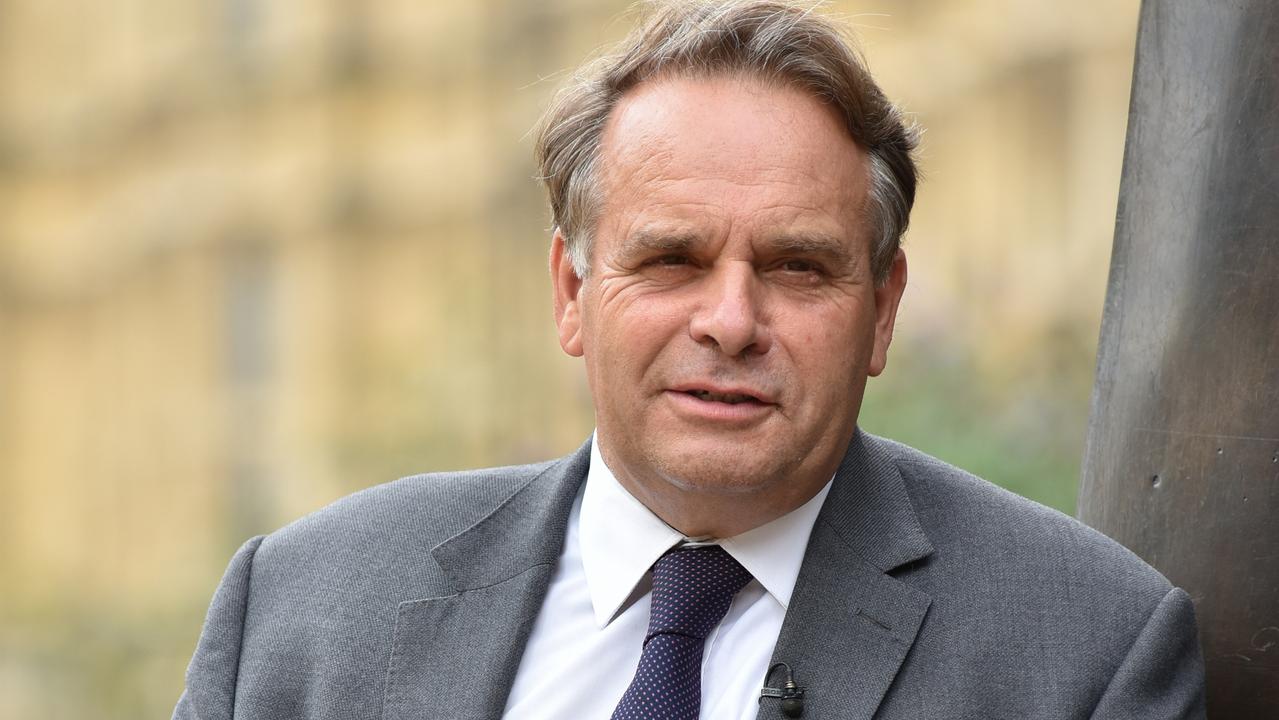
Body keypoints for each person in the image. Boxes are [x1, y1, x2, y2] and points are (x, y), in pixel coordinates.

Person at [174, 2, 1206, 718]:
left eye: (798, 268)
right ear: (572, 294)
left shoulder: (1084, 652)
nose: (730, 319)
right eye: (671, 260)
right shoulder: (304, 609)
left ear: (883, 312)